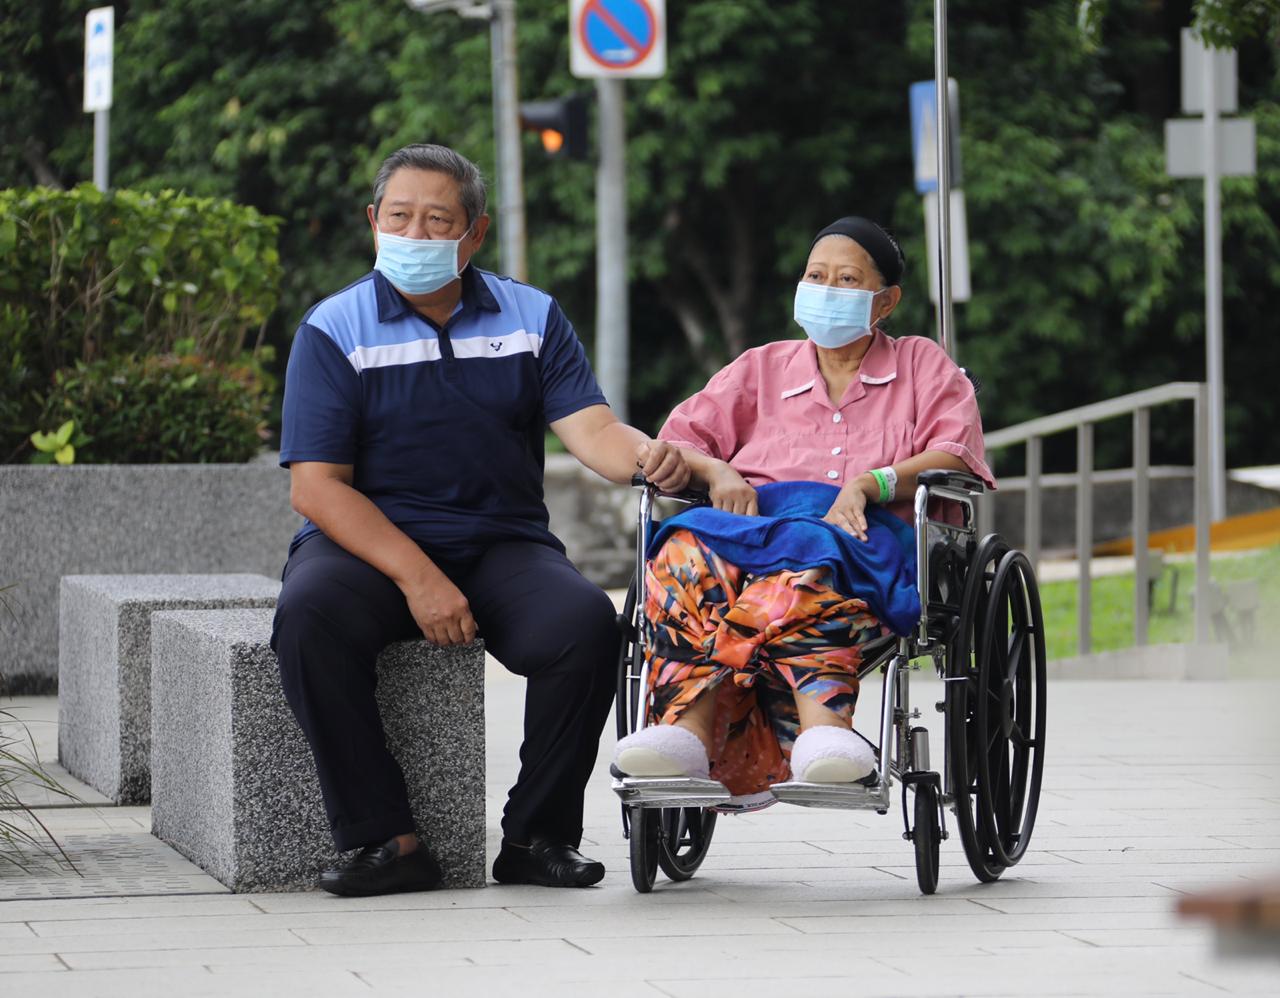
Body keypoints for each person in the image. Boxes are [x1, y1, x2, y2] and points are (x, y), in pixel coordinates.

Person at [271, 143, 690, 895]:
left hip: (502, 541)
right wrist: (420, 578)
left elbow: (593, 430)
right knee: (306, 619)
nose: (416, 234)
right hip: (368, 547)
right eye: (399, 217)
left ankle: (537, 835)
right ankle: (386, 841)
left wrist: (653, 457)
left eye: (438, 221)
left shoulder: (532, 316)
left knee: (586, 622)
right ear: (373, 221)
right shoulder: (333, 329)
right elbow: (319, 490)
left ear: (476, 233)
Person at [613, 216, 994, 807]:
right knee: (682, 549)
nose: (826, 289)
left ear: (885, 300)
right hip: (752, 532)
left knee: (813, 556)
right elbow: (679, 442)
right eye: (816, 276)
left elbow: (957, 451)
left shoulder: (922, 364)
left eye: (847, 280)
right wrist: (717, 470)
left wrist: (874, 481)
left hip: (862, 538)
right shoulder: (761, 368)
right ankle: (684, 735)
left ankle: (823, 731)